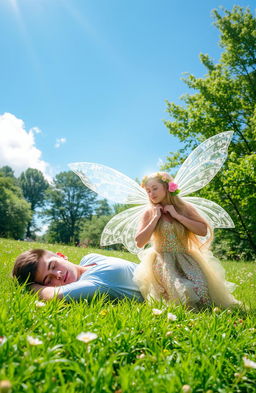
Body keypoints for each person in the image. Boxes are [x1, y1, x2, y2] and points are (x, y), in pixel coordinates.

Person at [133, 172, 240, 309]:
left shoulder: (184, 208)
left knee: (201, 289)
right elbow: (140, 242)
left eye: (155, 188)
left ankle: (205, 313)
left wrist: (177, 216)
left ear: (166, 187)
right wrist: (155, 217)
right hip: (162, 260)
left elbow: (202, 230)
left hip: (186, 257)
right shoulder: (149, 212)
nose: (151, 193)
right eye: (148, 191)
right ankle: (181, 313)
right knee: (180, 288)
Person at [12, 249, 144, 303]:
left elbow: (53, 295)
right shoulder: (91, 282)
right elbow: (54, 294)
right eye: (48, 280)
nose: (57, 275)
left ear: (61, 255)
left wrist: (31, 287)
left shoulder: (92, 265)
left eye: (53, 266)